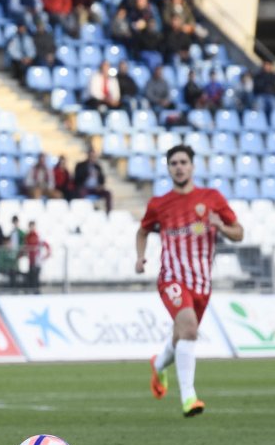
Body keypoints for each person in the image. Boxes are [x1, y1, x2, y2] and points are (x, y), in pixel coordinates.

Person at [136, 145, 242, 419]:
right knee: (190, 329)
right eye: (174, 163)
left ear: (193, 166)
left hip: (202, 283)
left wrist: (222, 226)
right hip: (172, 277)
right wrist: (140, 258)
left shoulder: (211, 198)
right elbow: (143, 230)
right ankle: (189, 398)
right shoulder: (159, 204)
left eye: (183, 162)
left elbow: (238, 233)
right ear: (168, 168)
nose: (179, 167)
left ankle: (158, 365)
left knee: (182, 335)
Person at [73, 148, 112, 213]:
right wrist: (88, 174)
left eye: (94, 156)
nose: (92, 158)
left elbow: (102, 180)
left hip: (96, 188)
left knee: (108, 193)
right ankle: (83, 211)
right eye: (91, 156)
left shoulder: (97, 166)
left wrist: (100, 185)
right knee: (81, 192)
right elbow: (77, 179)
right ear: (88, 155)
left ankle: (109, 213)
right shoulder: (80, 165)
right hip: (85, 187)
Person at [22, 221, 51, 292]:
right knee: (31, 276)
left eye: (32, 226)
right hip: (30, 260)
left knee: (36, 277)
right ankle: (32, 291)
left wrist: (46, 255)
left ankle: (36, 292)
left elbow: (46, 245)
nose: (31, 228)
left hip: (37, 260)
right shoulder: (27, 236)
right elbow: (25, 246)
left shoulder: (38, 236)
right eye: (30, 226)